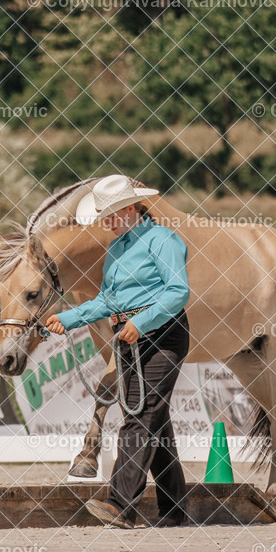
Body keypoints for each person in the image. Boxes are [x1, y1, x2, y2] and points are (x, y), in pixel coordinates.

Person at [44, 174, 191, 530]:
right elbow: (108, 300)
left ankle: (120, 504)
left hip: (163, 336)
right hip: (129, 340)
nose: (105, 222)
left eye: (110, 215)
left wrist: (141, 323)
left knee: (138, 419)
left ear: (129, 208)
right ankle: (175, 508)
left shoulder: (163, 240)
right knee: (155, 421)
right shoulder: (117, 248)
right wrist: (68, 318)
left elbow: (178, 292)